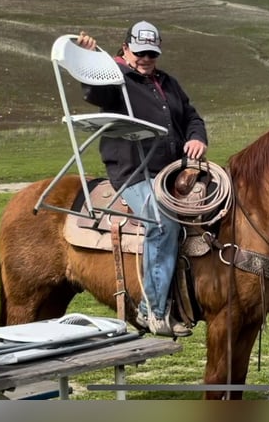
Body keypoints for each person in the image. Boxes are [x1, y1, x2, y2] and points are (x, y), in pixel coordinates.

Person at [76, 21, 208, 337]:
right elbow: (95, 93)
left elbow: (191, 115)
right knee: (162, 223)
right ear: (125, 48)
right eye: (140, 52)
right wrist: (90, 60)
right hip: (135, 171)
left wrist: (197, 138)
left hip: (172, 170)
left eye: (151, 53)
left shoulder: (167, 82)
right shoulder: (115, 76)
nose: (146, 59)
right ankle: (153, 311)